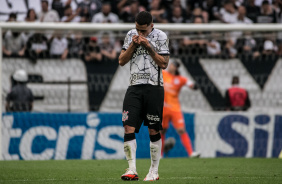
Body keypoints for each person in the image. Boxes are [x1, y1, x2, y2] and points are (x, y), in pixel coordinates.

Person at [119, 11, 169, 181]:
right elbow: (121, 61)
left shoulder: (161, 36)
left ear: (151, 26)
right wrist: (133, 45)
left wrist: (148, 46)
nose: (140, 34)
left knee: (153, 129)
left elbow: (164, 63)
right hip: (134, 87)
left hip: (154, 88)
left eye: (143, 31)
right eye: (137, 30)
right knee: (128, 127)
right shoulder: (130, 35)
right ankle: (131, 169)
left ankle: (154, 171)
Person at [161, 60, 200, 158]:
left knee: (181, 130)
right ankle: (160, 155)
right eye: (172, 65)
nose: (172, 67)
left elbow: (191, 84)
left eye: (175, 66)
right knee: (161, 131)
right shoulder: (162, 74)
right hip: (163, 108)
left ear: (177, 68)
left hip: (175, 108)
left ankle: (191, 153)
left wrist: (195, 86)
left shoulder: (180, 79)